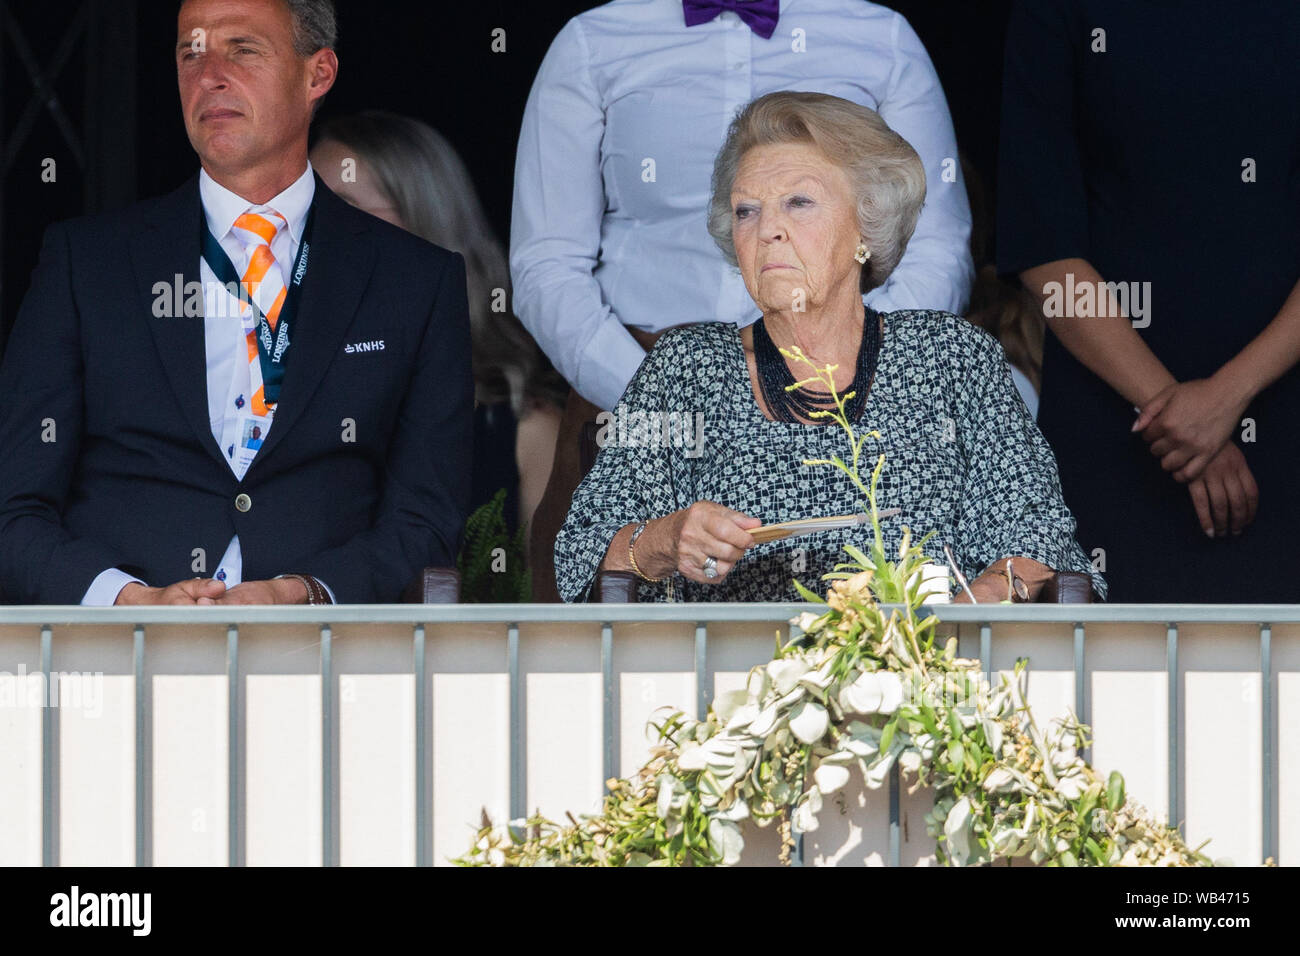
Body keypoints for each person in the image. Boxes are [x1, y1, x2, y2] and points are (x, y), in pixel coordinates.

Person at [0, 0, 473, 605]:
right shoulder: (85, 263)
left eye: (242, 49)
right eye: (189, 53)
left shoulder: (415, 279)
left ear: (318, 74)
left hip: (325, 659)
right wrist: (125, 600)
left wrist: (301, 593)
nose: (209, 75)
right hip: (122, 658)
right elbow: (15, 508)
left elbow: (426, 521)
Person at [554, 92, 1102, 603]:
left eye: (798, 203)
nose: (768, 228)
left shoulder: (953, 359)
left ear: (867, 226)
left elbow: (1042, 552)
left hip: (924, 681)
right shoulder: (685, 368)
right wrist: (667, 538)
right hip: (737, 689)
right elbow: (580, 554)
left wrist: (932, 639)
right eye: (747, 210)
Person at [513, 0, 975, 600]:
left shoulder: (880, 34)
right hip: (634, 393)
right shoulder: (591, 40)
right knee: (609, 659)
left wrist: (859, 378)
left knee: (856, 660)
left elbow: (936, 246)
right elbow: (546, 263)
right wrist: (664, 399)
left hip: (850, 404)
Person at [997, 0, 1300, 602]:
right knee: (1098, 677)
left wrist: (1224, 396)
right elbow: (1041, 242)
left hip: (1285, 398)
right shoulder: (1056, 13)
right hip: (1114, 419)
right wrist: (1175, 413)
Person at [309, 111, 565, 546]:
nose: (309, 231)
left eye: (341, 208)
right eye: (301, 208)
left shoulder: (525, 428)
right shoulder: (260, 395)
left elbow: (549, 607)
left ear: (425, 223)